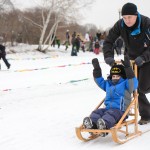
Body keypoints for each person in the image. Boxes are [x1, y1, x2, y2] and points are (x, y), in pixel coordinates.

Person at [102, 2, 150, 125]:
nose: (127, 20)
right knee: (133, 87)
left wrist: (144, 57)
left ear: (136, 15)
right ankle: (146, 115)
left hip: (147, 58)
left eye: (130, 17)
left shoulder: (146, 23)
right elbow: (108, 41)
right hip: (130, 59)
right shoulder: (120, 25)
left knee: (143, 87)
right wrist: (108, 56)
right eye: (124, 17)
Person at [83, 56, 138, 137]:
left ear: (122, 76)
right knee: (97, 112)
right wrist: (96, 69)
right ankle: (93, 124)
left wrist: (128, 68)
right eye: (113, 76)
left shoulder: (126, 85)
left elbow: (133, 83)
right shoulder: (108, 84)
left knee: (110, 114)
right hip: (107, 109)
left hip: (120, 111)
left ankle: (104, 125)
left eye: (118, 76)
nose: (115, 78)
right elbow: (100, 81)